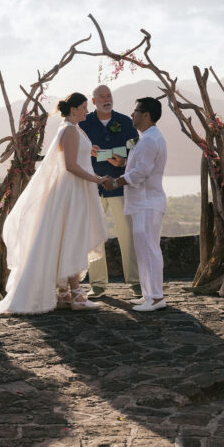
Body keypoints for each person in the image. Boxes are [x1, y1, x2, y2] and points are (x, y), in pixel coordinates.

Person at [0, 93, 108, 316]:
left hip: (72, 190)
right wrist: (96, 178)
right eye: (84, 108)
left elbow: (74, 155)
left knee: (66, 237)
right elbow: (69, 165)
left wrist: (89, 150)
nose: (87, 112)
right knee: (72, 237)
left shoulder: (71, 128)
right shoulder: (69, 129)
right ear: (74, 109)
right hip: (72, 191)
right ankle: (76, 294)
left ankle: (64, 292)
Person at [104, 97, 168, 312]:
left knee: (149, 249)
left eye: (136, 111)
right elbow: (138, 165)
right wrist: (122, 163)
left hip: (148, 202)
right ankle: (149, 294)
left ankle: (157, 297)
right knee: (142, 249)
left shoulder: (150, 139)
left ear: (146, 115)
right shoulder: (146, 138)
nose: (132, 115)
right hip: (142, 202)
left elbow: (141, 172)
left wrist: (115, 182)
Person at [79, 84, 141, 299]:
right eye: (102, 96)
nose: (107, 99)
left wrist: (123, 160)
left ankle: (135, 281)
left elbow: (136, 149)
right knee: (94, 236)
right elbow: (74, 152)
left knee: (128, 234)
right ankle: (97, 284)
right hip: (92, 187)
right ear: (93, 101)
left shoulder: (125, 121)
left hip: (118, 186)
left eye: (109, 95)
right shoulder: (83, 124)